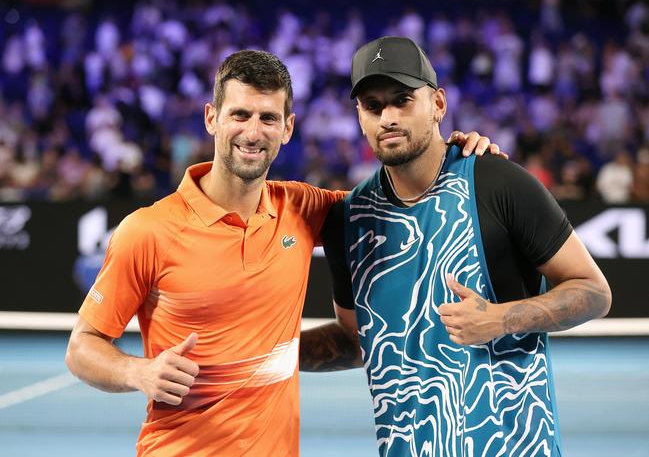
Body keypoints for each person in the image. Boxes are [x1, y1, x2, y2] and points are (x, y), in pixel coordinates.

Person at [65, 49, 497, 456]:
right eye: (240, 114)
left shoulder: (303, 208)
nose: (253, 132)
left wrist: (458, 155)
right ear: (212, 118)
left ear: (287, 128)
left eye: (268, 118)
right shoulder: (148, 230)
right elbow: (82, 346)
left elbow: (406, 197)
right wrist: (138, 372)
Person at [300, 37, 612, 456]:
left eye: (402, 100)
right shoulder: (349, 220)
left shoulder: (499, 183)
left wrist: (501, 319)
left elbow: (594, 291)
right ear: (359, 117)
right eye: (373, 106)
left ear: (439, 104)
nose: (387, 117)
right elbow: (357, 340)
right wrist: (250, 349)